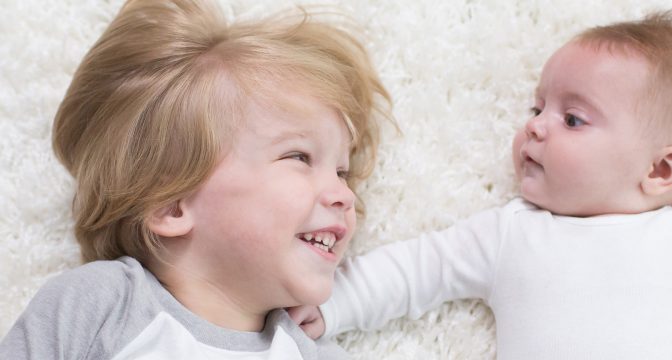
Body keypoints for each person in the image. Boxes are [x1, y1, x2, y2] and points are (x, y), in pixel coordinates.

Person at [288, 10, 672, 359]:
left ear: (661, 171)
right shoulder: (511, 233)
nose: (534, 125)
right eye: (537, 108)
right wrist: (334, 306)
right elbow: (416, 270)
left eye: (573, 119)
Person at [0, 0, 392, 358]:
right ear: (172, 203)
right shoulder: (103, 304)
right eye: (299, 157)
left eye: (341, 171)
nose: (344, 193)